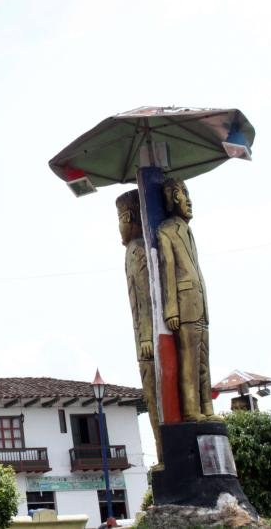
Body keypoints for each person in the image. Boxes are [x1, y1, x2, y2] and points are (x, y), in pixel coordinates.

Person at [156, 177, 215, 421]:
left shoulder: (188, 231)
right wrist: (171, 309)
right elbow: (168, 269)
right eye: (182, 193)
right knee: (188, 359)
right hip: (183, 303)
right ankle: (191, 408)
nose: (188, 200)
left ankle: (207, 407)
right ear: (171, 199)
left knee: (203, 357)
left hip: (199, 303)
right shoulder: (166, 230)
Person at [116, 190, 162, 462]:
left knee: (156, 390)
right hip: (146, 338)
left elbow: (144, 294)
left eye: (123, 218)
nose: (120, 227)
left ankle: (164, 449)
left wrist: (146, 334)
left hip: (148, 338)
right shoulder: (134, 251)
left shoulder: (139, 250)